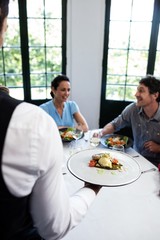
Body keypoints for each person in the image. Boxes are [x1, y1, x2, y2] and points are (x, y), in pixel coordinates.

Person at [0, 1, 101, 239]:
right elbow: (53, 227)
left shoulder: (65, 109)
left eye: (69, 90)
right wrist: (91, 189)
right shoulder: (34, 118)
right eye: (63, 89)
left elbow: (83, 127)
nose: (66, 93)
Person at [99, 75, 160, 167]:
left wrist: (159, 148)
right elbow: (115, 124)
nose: (136, 94)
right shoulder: (133, 109)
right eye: (137, 90)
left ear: (155, 95)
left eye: (141, 91)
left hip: (156, 164)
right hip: (135, 158)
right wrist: (101, 133)